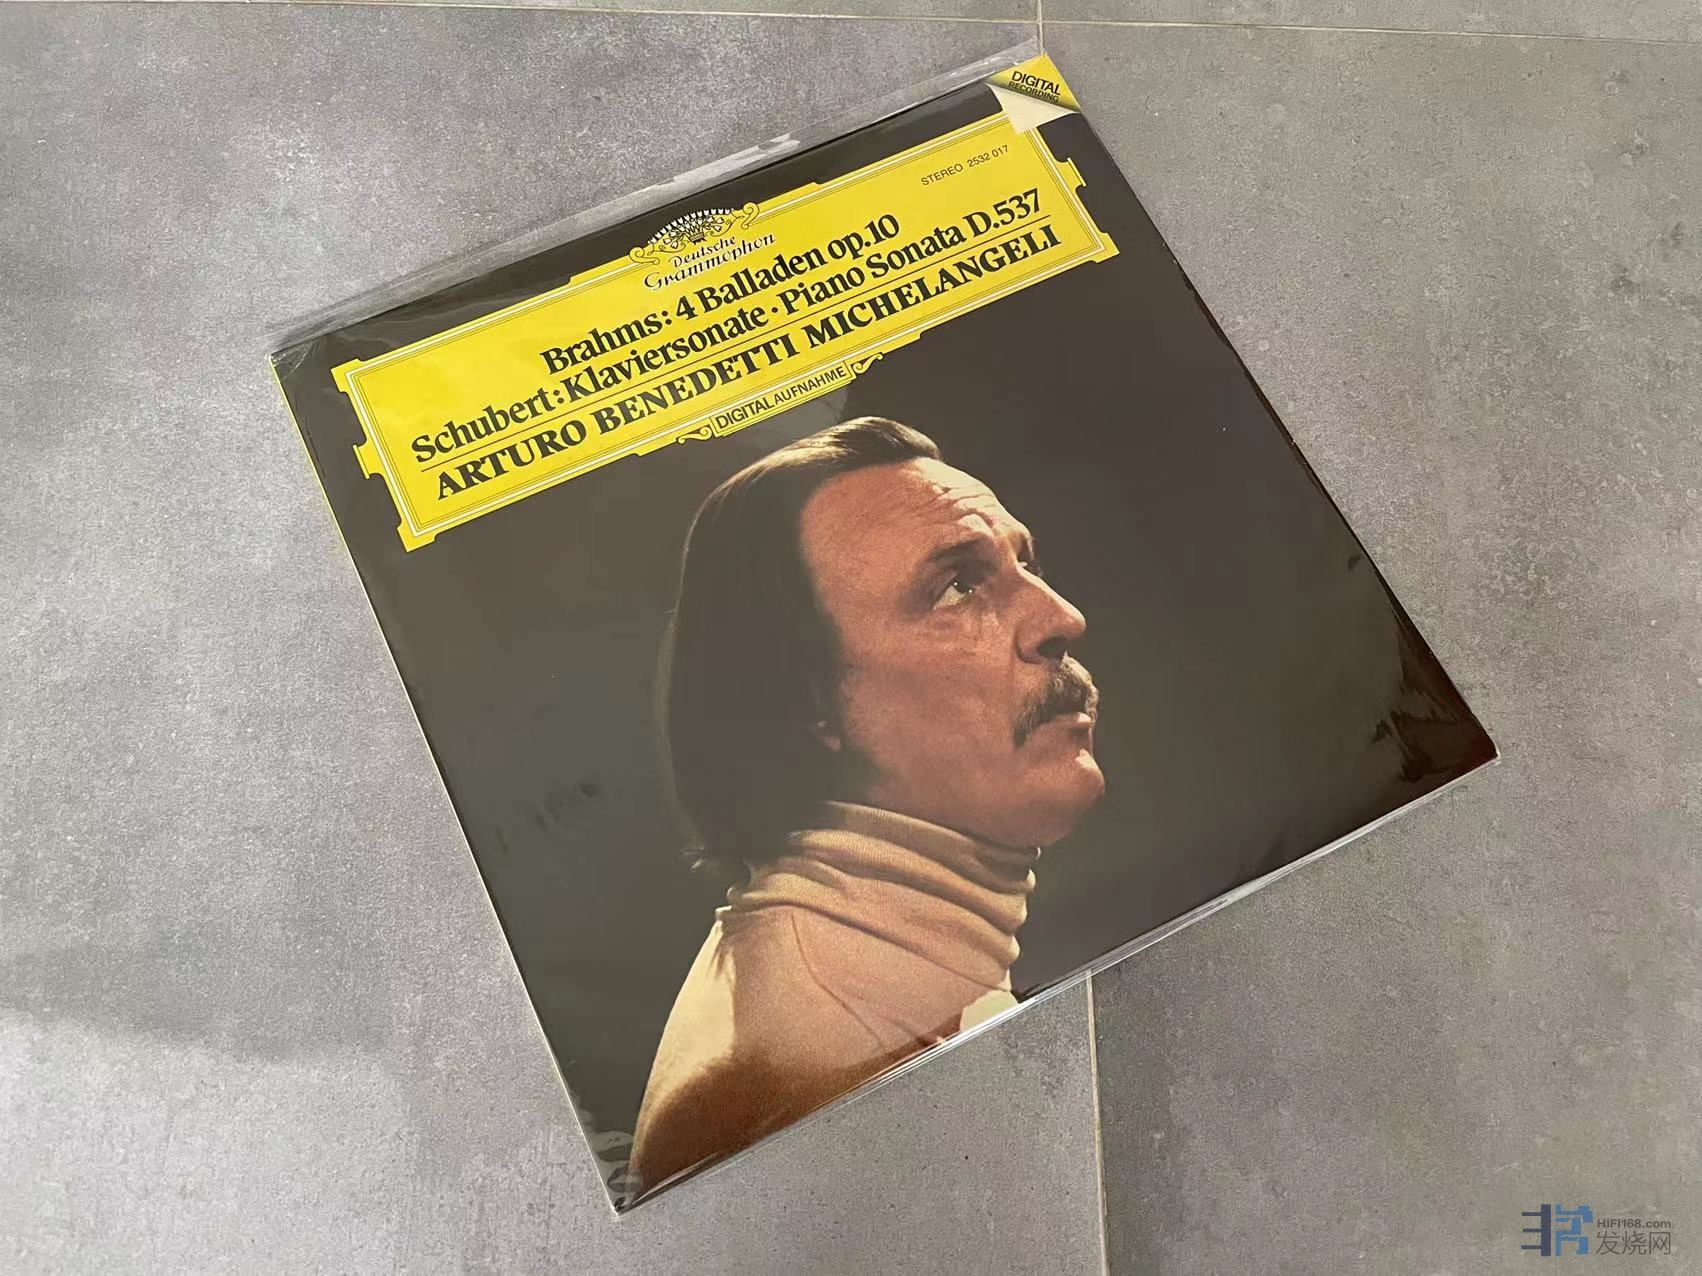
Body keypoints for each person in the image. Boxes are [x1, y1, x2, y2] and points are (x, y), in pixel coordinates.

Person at [630, 416, 1105, 1189]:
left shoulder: (870, 980)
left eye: (1027, 565)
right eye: (958, 587)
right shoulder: (807, 1065)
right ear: (810, 701)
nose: (1061, 619)